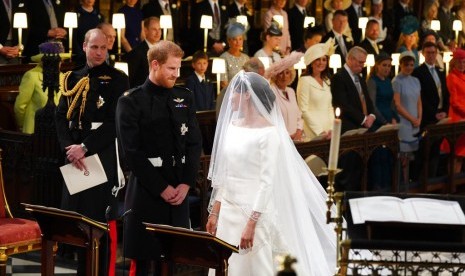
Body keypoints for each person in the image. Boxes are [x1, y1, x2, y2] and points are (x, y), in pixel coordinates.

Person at [206, 70, 336, 275]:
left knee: (255, 265)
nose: (229, 97)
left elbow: (266, 182)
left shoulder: (269, 133)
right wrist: (215, 212)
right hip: (228, 213)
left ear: (247, 95)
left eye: (234, 93)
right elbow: (225, 173)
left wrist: (251, 222)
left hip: (253, 211)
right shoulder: (231, 127)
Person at [116, 40, 202, 275]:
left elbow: (194, 143)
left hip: (179, 190)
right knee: (145, 262)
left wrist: (186, 183)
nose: (177, 74)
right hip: (147, 191)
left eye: (178, 69)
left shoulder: (184, 97)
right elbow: (132, 153)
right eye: (171, 69)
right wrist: (161, 188)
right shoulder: (130, 101)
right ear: (155, 65)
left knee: (173, 261)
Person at [55, 28, 129, 275]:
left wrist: (85, 147)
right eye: (94, 47)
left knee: (99, 222)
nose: (99, 52)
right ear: (84, 46)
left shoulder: (118, 78)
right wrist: (71, 150)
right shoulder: (71, 78)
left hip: (100, 152)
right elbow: (60, 118)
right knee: (77, 223)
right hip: (74, 156)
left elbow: (114, 123)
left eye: (103, 48)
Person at [331, 46, 376, 191]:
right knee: (348, 171)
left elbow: (367, 100)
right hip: (348, 129)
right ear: (350, 59)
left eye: (364, 63)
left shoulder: (360, 78)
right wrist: (363, 119)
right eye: (360, 62)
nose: (362, 66)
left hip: (362, 129)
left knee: (360, 169)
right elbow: (343, 104)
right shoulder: (339, 77)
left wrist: (372, 115)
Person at [14, 42, 69, 134]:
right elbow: (20, 106)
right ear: (42, 61)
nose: (56, 63)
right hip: (35, 131)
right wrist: (23, 124)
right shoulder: (31, 76)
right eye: (50, 60)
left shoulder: (63, 77)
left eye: (59, 60)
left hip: (57, 132)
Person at [392, 51, 422, 186]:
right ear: (401, 65)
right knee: (403, 157)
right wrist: (412, 119)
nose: (409, 67)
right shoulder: (396, 81)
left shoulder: (416, 80)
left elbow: (419, 102)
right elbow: (397, 105)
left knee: (410, 158)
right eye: (406, 65)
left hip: (415, 123)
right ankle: (402, 185)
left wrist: (419, 118)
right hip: (404, 123)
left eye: (411, 65)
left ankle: (408, 183)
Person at [297, 40, 335, 141]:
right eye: (318, 59)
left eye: (324, 59)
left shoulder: (327, 80)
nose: (321, 63)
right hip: (313, 132)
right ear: (311, 62)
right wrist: (319, 131)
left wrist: (332, 128)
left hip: (328, 131)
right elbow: (303, 110)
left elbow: (330, 107)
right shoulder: (305, 80)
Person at [266, 52, 305, 141]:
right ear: (275, 75)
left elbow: (299, 116)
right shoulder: (271, 91)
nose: (284, 76)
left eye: (287, 73)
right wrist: (286, 136)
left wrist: (298, 131)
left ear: (291, 75)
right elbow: (271, 119)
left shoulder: (291, 91)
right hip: (280, 139)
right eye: (281, 73)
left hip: (296, 139)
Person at [442, 48, 465, 173]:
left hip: (463, 118)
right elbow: (454, 102)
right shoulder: (452, 77)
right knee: (455, 154)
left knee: (461, 154)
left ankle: (455, 185)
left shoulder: (463, 76)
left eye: (464, 62)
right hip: (457, 118)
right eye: (459, 62)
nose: (462, 65)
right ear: (454, 63)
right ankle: (452, 185)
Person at [126, 16, 162, 88]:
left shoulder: (163, 50)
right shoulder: (137, 52)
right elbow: (131, 79)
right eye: (154, 29)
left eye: (159, 29)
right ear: (145, 30)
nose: (158, 32)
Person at [220, 22, 249, 88]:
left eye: (240, 39)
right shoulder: (223, 58)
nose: (238, 42)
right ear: (229, 41)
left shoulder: (246, 58)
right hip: (230, 95)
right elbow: (223, 83)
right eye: (234, 39)